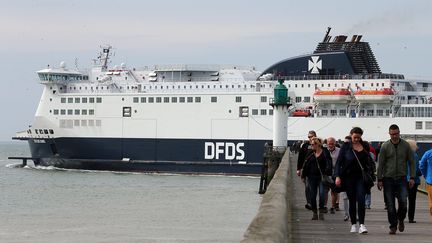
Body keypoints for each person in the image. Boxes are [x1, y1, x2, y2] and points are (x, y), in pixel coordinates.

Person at [377, 124, 415, 235]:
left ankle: (401, 219)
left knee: (403, 203)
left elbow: (412, 162)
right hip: (388, 179)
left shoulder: (406, 146)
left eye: (396, 133)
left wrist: (412, 177)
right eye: (392, 134)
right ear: (389, 134)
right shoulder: (385, 146)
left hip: (402, 179)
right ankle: (393, 226)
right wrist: (379, 179)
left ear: (399, 132)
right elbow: (381, 164)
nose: (394, 136)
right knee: (390, 204)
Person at [334, 127, 373, 234]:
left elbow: (368, 161)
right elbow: (339, 162)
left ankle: (362, 224)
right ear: (351, 135)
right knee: (352, 201)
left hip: (361, 177)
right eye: (355, 137)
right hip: (348, 178)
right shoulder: (346, 147)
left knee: (361, 200)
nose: (356, 139)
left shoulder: (365, 145)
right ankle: (353, 224)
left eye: (358, 137)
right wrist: (337, 176)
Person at [301, 137, 332, 220]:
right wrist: (303, 175)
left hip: (322, 177)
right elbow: (305, 164)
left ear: (318, 144)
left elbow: (329, 163)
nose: (312, 146)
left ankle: (321, 211)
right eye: (311, 144)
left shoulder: (325, 152)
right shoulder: (310, 153)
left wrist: (327, 172)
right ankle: (314, 212)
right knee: (312, 195)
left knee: (322, 194)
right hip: (311, 177)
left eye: (313, 144)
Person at [297, 130, 317, 210]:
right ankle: (309, 203)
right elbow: (300, 157)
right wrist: (298, 169)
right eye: (309, 137)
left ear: (315, 136)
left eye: (311, 136)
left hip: (317, 170)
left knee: (315, 188)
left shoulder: (319, 145)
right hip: (306, 170)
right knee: (307, 187)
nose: (310, 138)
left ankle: (313, 202)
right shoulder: (305, 145)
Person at [405, 139, 421, 223]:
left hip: (403, 180)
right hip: (413, 180)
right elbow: (416, 169)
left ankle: (400, 215)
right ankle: (410, 218)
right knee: (412, 200)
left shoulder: (403, 155)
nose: (417, 147)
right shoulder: (414, 155)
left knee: (402, 199)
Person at [327, 137, 340, 214]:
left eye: (332, 143)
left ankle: (332, 206)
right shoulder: (324, 150)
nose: (331, 145)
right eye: (329, 143)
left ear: (335, 143)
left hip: (335, 172)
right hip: (326, 172)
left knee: (334, 191)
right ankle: (324, 206)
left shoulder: (339, 150)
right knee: (325, 191)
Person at [419, 145, 432, 220]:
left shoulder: (428, 153)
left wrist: (426, 175)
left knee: (431, 200)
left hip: (431, 181)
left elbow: (421, 165)